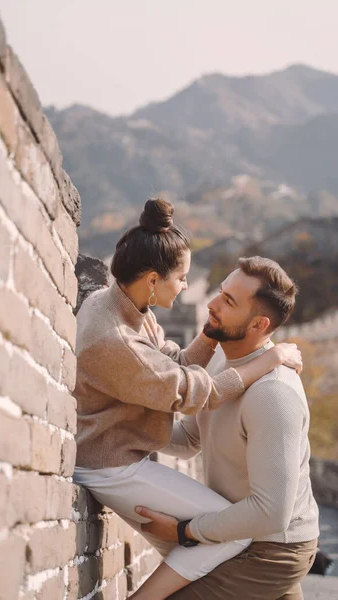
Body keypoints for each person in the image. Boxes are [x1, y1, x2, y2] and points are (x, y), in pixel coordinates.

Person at [73, 199, 302, 600]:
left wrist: (213, 330)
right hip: (110, 463)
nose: (185, 287)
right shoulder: (114, 336)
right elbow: (191, 392)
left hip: (120, 454)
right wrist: (268, 358)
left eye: (226, 300)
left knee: (214, 542)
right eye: (181, 278)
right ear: (151, 280)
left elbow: (172, 364)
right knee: (229, 539)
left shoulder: (128, 307)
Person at [136, 256, 319, 600]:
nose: (212, 304)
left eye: (229, 302)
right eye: (221, 292)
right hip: (238, 531)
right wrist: (127, 427)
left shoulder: (273, 394)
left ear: (258, 325)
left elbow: (271, 513)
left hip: (272, 550)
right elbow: (191, 438)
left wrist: (184, 532)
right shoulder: (222, 358)